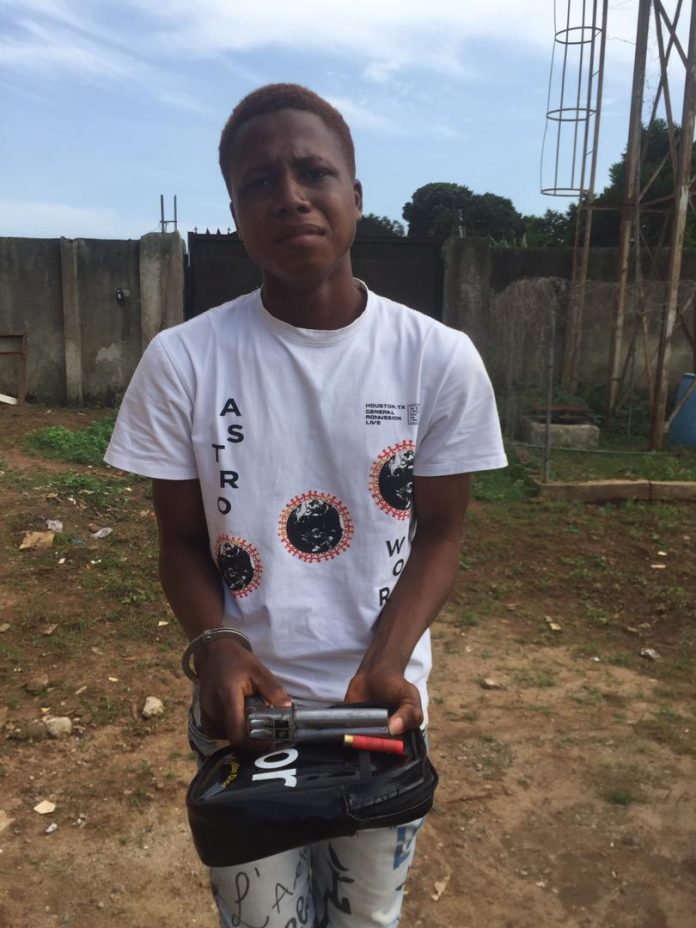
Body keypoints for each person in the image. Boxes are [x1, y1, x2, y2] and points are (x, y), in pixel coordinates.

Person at [104, 83, 507, 928]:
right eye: (259, 182)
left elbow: (441, 531)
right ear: (234, 213)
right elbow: (180, 541)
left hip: (378, 714)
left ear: (355, 195)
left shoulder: (437, 359)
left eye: (313, 172)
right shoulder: (183, 362)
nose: (288, 196)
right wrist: (216, 646)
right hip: (246, 718)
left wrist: (388, 660)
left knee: (366, 920)